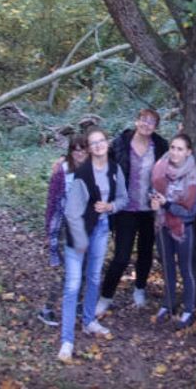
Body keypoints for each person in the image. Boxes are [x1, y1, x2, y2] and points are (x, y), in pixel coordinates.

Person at [58, 126, 127, 362]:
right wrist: (81, 241)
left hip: (101, 228)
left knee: (95, 277)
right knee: (72, 285)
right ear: (89, 148)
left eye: (101, 141)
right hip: (78, 233)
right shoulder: (83, 174)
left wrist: (111, 207)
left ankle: (89, 321)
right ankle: (67, 341)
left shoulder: (115, 169)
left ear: (107, 143)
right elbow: (71, 212)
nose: (98, 146)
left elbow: (123, 198)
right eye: (93, 143)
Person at [98, 108, 168, 313]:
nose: (147, 124)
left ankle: (140, 289)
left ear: (156, 127)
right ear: (137, 121)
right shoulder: (120, 143)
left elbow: (170, 170)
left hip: (149, 209)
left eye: (152, 122)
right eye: (144, 120)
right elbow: (103, 164)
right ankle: (106, 296)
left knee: (146, 253)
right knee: (121, 255)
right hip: (125, 208)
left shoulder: (161, 145)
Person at [150, 133, 196, 328]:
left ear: (188, 152)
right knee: (167, 267)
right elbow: (152, 190)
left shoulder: (192, 174)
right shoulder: (160, 167)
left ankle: (189, 308)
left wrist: (167, 204)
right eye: (172, 147)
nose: (175, 152)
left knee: (185, 269)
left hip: (183, 228)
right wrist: (154, 202)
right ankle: (168, 302)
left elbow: (191, 210)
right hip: (162, 224)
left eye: (180, 149)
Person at [39, 133, 89, 326]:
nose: (79, 153)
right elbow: (52, 200)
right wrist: (48, 229)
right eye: (75, 149)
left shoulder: (93, 168)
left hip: (84, 225)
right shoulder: (63, 170)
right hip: (63, 225)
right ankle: (48, 308)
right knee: (64, 270)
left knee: (84, 267)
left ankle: (77, 303)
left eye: (82, 148)